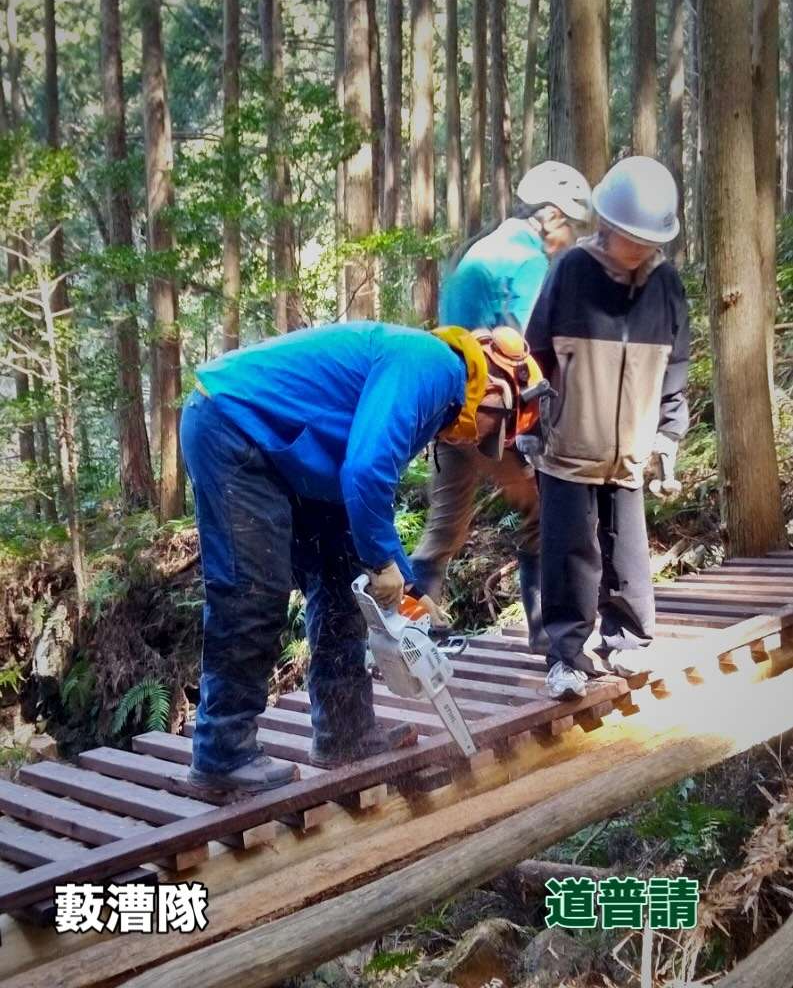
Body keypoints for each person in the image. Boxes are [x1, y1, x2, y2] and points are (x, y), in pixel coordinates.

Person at [180, 321, 542, 796]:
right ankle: (222, 752)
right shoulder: (432, 367)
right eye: (497, 431)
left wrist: (407, 583)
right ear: (495, 393)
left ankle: (344, 731)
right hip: (233, 427)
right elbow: (367, 471)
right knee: (252, 591)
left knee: (342, 578)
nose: (482, 443)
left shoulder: (436, 384)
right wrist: (384, 560)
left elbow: (365, 483)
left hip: (296, 453)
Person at [525, 156, 690, 701]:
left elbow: (675, 365)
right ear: (607, 225)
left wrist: (668, 434)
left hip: (630, 448)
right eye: (630, 237)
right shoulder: (572, 269)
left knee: (628, 552)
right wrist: (530, 422)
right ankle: (566, 657)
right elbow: (536, 351)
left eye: (648, 240)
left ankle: (629, 640)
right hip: (569, 439)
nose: (639, 248)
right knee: (569, 552)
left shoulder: (665, 284)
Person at [410, 162, 592, 654]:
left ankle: (410, 637)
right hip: (494, 417)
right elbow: (531, 348)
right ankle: (543, 629)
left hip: (448, 415)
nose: (572, 241)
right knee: (543, 509)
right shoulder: (527, 261)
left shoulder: (480, 250)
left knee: (443, 529)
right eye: (573, 228)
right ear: (552, 217)